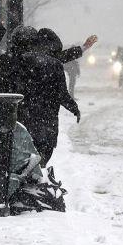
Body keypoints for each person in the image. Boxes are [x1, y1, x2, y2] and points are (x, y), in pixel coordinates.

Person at [18, 32, 80, 167]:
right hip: (47, 122)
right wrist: (74, 108)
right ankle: (37, 178)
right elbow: (62, 94)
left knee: (23, 158)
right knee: (42, 157)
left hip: (24, 119)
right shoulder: (55, 64)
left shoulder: (21, 60)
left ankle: (27, 180)